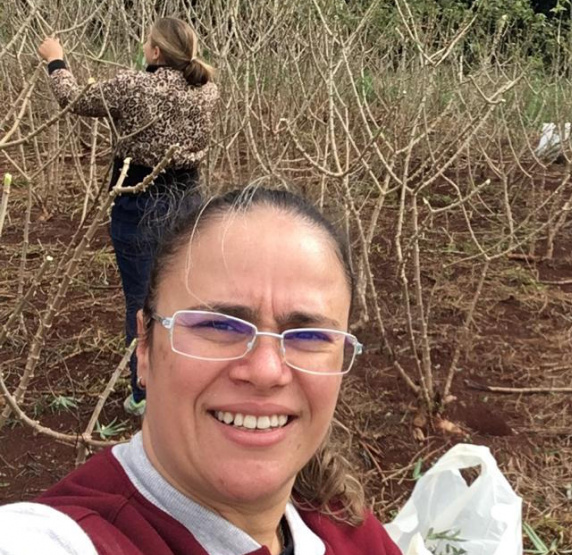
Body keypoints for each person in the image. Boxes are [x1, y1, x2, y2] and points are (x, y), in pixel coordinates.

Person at [0, 187, 403, 555]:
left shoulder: (345, 523)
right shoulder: (63, 539)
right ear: (145, 346)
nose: (265, 371)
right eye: (218, 326)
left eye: (308, 335)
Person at [37, 18, 219, 416]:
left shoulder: (135, 87)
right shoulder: (207, 89)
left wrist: (56, 59)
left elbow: (73, 99)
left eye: (147, 45)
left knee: (141, 299)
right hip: (190, 201)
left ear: (155, 52)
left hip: (140, 200)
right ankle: (191, 376)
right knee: (184, 291)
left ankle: (145, 394)